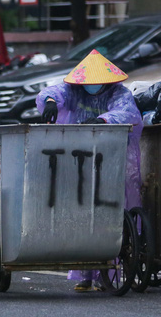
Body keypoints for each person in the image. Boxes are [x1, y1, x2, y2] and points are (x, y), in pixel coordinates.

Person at [37, 49, 143, 292]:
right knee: (81, 213)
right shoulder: (74, 91)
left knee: (108, 214)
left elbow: (127, 113)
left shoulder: (119, 93)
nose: (92, 85)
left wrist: (103, 120)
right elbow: (54, 92)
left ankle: (108, 271)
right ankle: (85, 273)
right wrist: (50, 101)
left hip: (110, 159)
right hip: (79, 159)